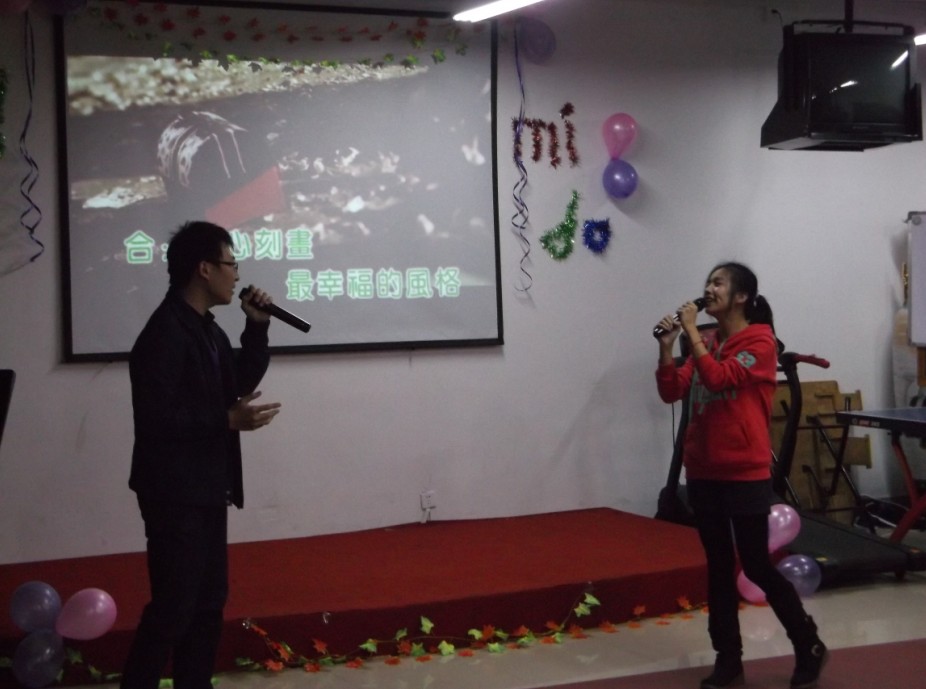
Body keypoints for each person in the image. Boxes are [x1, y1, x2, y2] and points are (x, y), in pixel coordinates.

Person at [121, 220, 282, 689]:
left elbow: (237, 383)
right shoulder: (165, 333)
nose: (238, 275)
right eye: (232, 263)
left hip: (208, 487)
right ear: (204, 269)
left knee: (208, 603)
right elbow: (157, 418)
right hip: (174, 492)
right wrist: (225, 421)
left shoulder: (206, 330)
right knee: (173, 607)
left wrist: (257, 328)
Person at [654, 262, 828, 689]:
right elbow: (671, 391)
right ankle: (728, 659)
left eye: (718, 283)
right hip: (704, 470)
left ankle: (807, 643)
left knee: (756, 564)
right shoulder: (710, 341)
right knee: (717, 567)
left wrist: (692, 333)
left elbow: (719, 379)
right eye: (708, 282)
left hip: (744, 473)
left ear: (742, 296)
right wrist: (667, 349)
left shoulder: (760, 342)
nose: (709, 289)